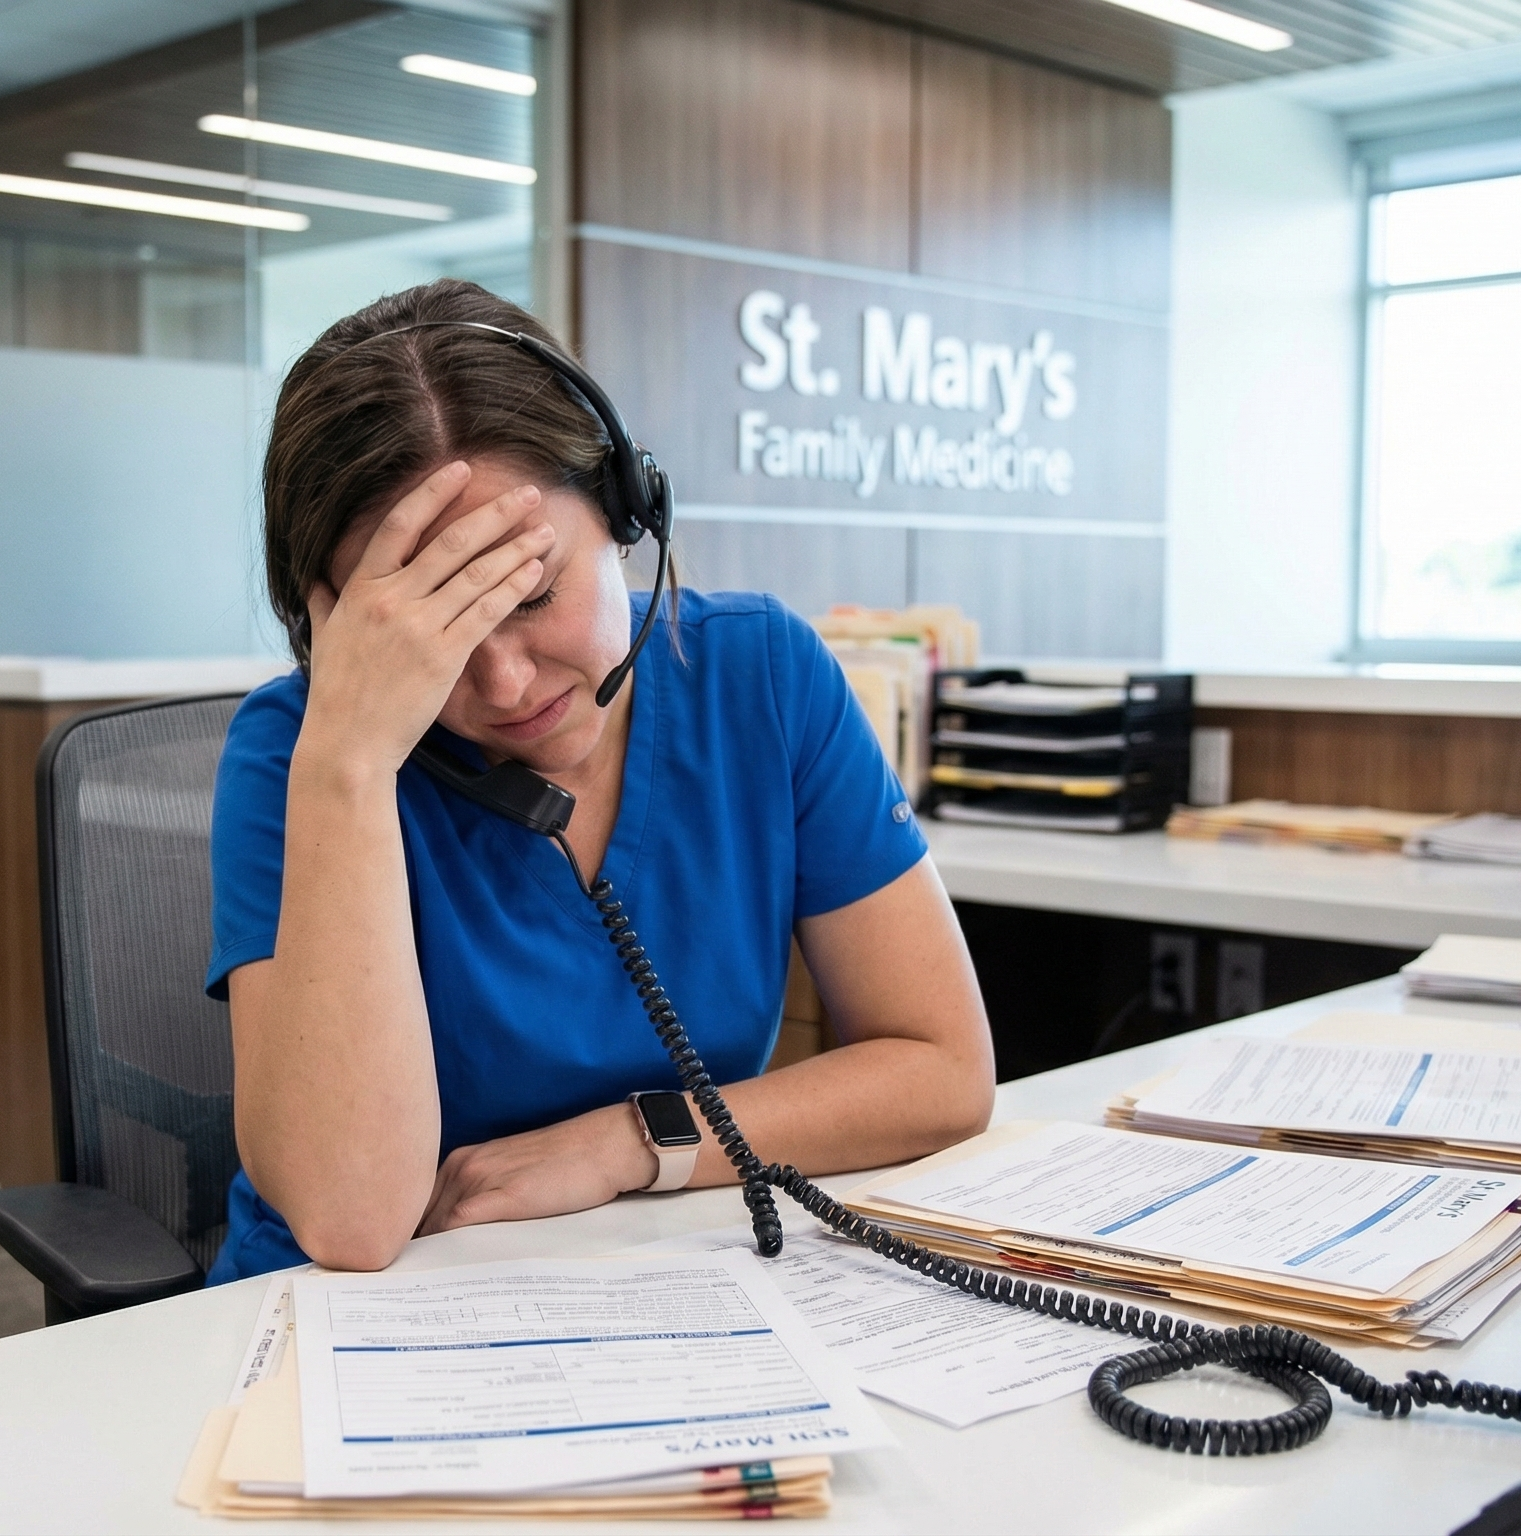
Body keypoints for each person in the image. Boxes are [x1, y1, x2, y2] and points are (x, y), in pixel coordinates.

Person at [206, 279, 993, 1282]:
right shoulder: (299, 755)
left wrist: (631, 1142)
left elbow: (942, 1069)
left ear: (628, 512)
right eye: (433, 634)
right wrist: (351, 766)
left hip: (651, 1274)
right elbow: (351, 1222)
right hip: (346, 1322)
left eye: (533, 595)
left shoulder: (760, 676)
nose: (504, 681)